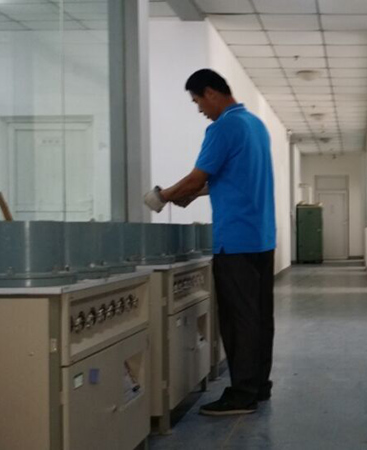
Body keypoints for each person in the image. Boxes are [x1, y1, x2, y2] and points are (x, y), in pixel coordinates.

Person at [144, 68, 276, 416]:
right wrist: (192, 194)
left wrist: (162, 196)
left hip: (234, 241)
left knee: (237, 320)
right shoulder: (256, 125)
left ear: (211, 93)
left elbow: (196, 177)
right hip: (262, 238)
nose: (200, 109)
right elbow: (230, 178)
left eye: (197, 101)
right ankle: (259, 385)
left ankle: (242, 394)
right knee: (260, 317)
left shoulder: (222, 128)